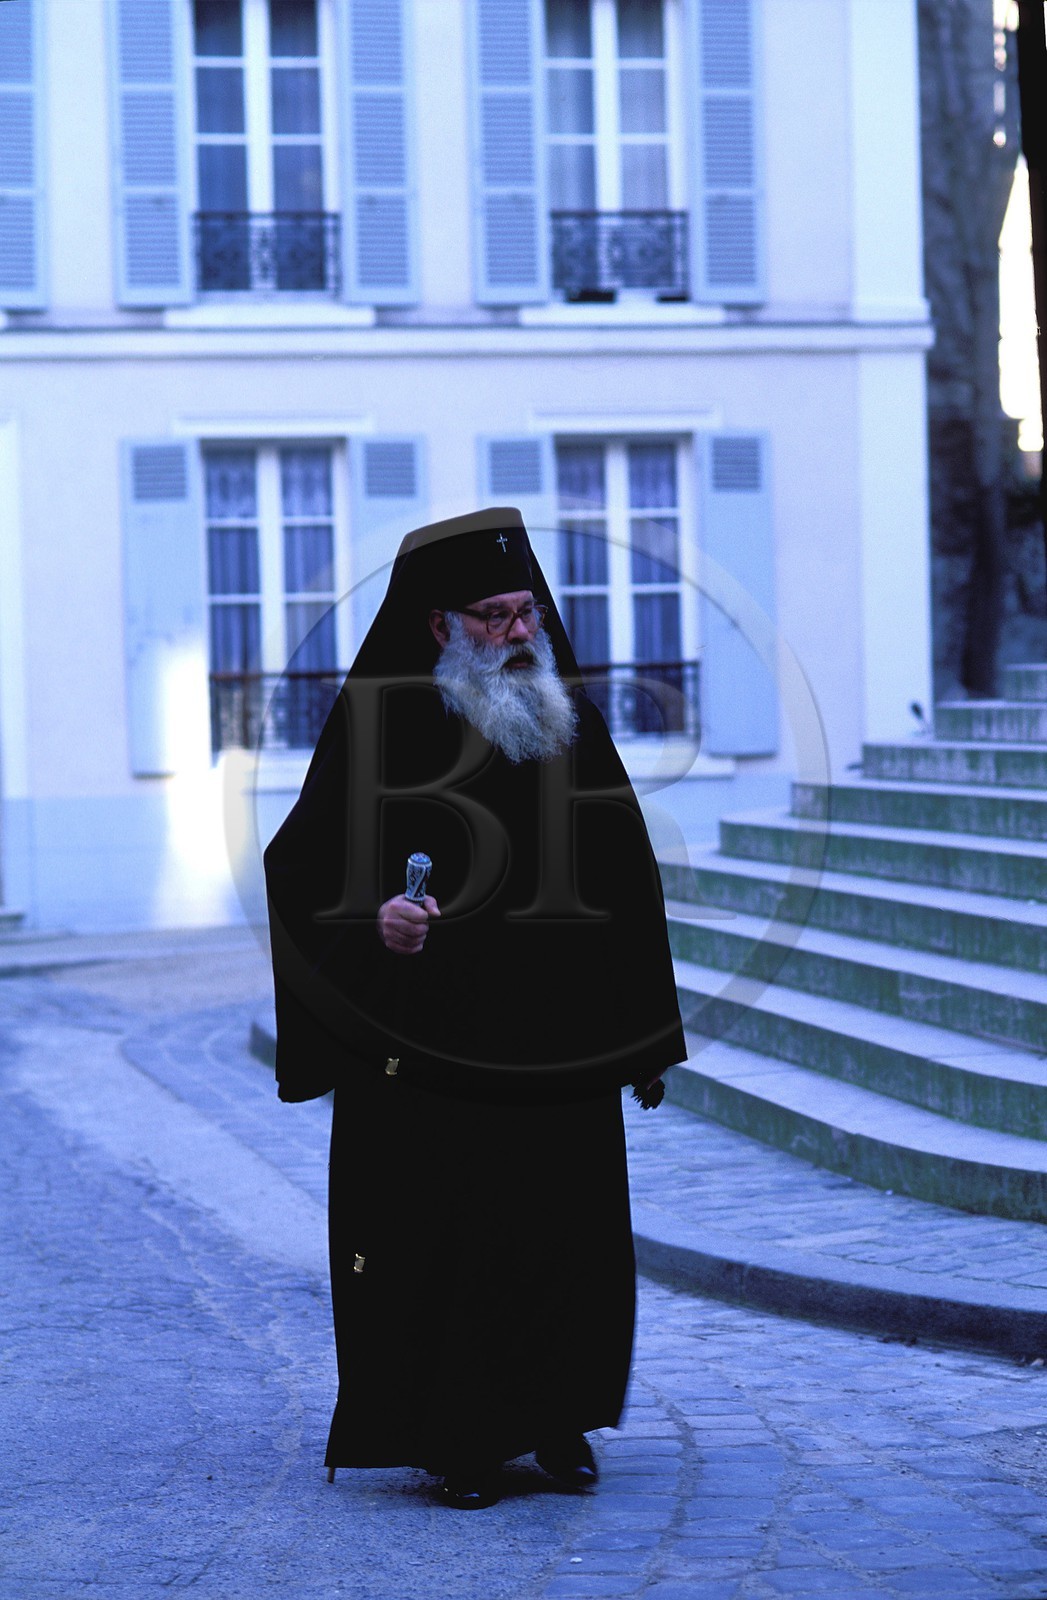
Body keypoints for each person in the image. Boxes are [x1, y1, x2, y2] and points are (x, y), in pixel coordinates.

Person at [262, 506, 686, 1509]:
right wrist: (377, 921)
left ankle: (559, 1417)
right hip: (428, 1049)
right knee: (447, 1239)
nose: (518, 632)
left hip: (558, 1045)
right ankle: (457, 1438)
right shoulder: (378, 724)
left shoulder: (562, 715)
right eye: (494, 616)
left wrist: (641, 1033)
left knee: (561, 1233)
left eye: (525, 610)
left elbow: (623, 871)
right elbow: (303, 866)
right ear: (438, 625)